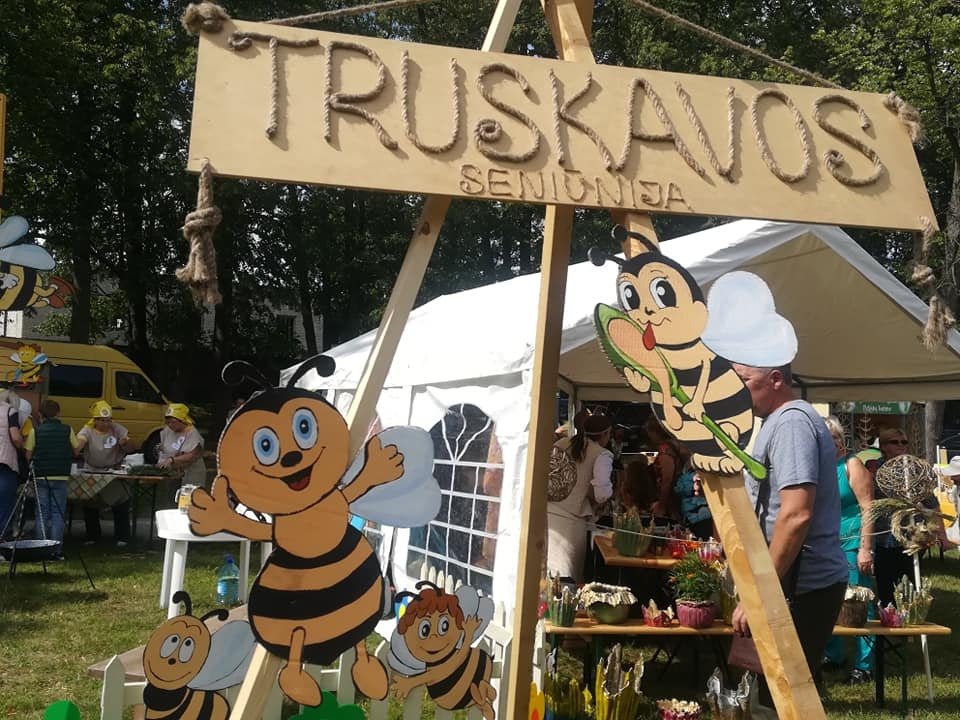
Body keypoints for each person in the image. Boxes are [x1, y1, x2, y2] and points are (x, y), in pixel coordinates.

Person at [730, 363, 847, 690]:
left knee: (782, 698)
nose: (736, 389)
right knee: (782, 694)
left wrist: (760, 593)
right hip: (790, 581)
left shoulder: (791, 423)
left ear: (776, 379)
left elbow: (796, 515)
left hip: (801, 586)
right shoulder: (776, 421)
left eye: (743, 380)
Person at [822, 416, 876, 685]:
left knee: (858, 602)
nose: (830, 442)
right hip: (825, 544)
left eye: (834, 437)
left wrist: (866, 549)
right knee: (827, 600)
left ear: (841, 441)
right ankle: (833, 655)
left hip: (852, 542)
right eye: (824, 437)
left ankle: (865, 666)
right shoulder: (816, 466)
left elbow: (868, 507)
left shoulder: (851, 464)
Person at [871, 427, 946, 607]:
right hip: (884, 537)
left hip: (910, 537)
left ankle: (910, 617)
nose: (901, 446)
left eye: (904, 442)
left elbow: (932, 503)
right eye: (895, 442)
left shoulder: (914, 471)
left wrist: (941, 533)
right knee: (886, 585)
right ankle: (888, 618)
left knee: (910, 584)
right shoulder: (874, 470)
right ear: (883, 446)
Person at [547, 411, 614, 582]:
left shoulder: (561, 443)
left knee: (545, 573)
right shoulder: (602, 454)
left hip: (547, 513)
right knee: (566, 577)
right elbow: (601, 494)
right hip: (571, 522)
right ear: (605, 434)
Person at [26, 399, 79, 557]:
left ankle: (40, 549)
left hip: (41, 475)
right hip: (61, 475)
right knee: (58, 513)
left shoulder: (35, 431)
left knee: (42, 512)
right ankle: (56, 551)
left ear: (40, 414)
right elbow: (76, 450)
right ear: (58, 413)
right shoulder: (67, 430)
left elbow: (28, 454)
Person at [76, 400, 133, 545]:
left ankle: (122, 536)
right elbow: (79, 443)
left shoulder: (117, 428)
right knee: (90, 503)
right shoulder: (87, 430)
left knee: (120, 502)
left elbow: (131, 448)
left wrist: (125, 443)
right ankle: (93, 536)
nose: (106, 424)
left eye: (108, 420)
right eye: (102, 420)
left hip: (113, 471)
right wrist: (78, 445)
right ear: (95, 420)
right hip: (92, 470)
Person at [644, 416, 689, 520]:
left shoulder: (665, 450)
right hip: (680, 493)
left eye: (649, 432)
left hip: (673, 497)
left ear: (655, 432)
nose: (649, 436)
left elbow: (667, 479)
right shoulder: (677, 444)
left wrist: (662, 505)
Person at [157, 403, 206, 487]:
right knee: (172, 493)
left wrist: (171, 460)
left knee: (187, 494)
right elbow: (164, 445)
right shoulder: (168, 430)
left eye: (173, 422)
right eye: (167, 422)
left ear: (182, 420)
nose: (170, 425)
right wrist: (160, 449)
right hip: (172, 473)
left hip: (191, 474)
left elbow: (191, 455)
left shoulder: (192, 433)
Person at [0, 390, 23, 539]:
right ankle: (2, 538)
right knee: (5, 502)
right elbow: (15, 437)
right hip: (4, 461)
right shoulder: (10, 411)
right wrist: (21, 445)